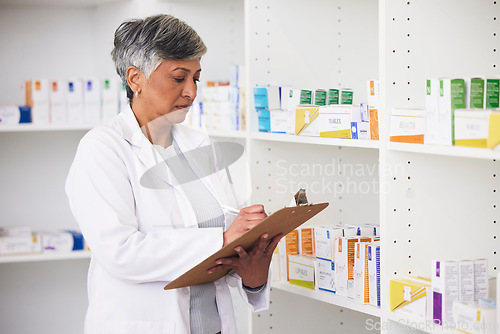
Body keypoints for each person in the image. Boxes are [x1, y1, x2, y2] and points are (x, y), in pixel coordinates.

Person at [65, 14, 282, 334]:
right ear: (135, 79)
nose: (192, 92)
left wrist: (251, 272)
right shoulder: (103, 149)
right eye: (179, 78)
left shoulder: (200, 145)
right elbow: (120, 252)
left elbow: (226, 247)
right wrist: (222, 239)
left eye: (196, 77)